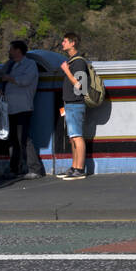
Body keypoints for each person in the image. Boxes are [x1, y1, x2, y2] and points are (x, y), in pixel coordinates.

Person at [3, 40, 44, 179]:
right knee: (13, 139)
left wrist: (10, 78)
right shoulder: (11, 65)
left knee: (24, 138)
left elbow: (26, 80)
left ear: (18, 51)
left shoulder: (30, 65)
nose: (9, 52)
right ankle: (15, 167)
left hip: (23, 107)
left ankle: (35, 168)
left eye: (11, 49)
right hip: (10, 108)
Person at [58, 32, 90, 179]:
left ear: (73, 43)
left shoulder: (78, 62)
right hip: (70, 104)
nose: (62, 43)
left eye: (65, 41)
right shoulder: (71, 61)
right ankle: (74, 166)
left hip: (76, 104)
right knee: (72, 137)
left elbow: (80, 86)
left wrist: (66, 70)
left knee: (77, 136)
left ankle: (80, 168)